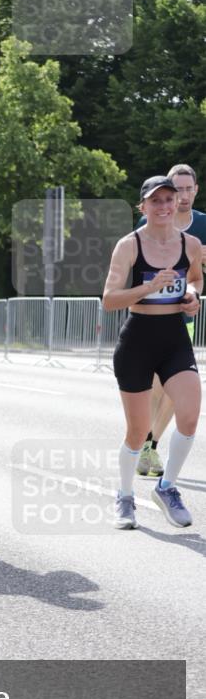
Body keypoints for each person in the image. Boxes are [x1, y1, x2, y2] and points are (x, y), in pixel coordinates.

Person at [103, 176, 202, 530]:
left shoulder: (190, 244)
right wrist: (148, 286)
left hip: (175, 338)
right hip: (137, 342)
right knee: (138, 430)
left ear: (177, 203)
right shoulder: (129, 245)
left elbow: (195, 278)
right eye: (155, 201)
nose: (163, 207)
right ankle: (125, 496)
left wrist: (192, 295)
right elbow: (109, 299)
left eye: (169, 200)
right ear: (142, 206)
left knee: (190, 415)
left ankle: (167, 487)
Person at [136, 163, 206, 477]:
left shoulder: (203, 225)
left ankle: (150, 445)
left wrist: (193, 287)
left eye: (189, 189)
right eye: (178, 190)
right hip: (151, 314)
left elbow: (197, 277)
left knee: (173, 387)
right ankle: (141, 439)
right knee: (154, 386)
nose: (184, 195)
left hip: (182, 316)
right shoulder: (148, 221)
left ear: (196, 190)